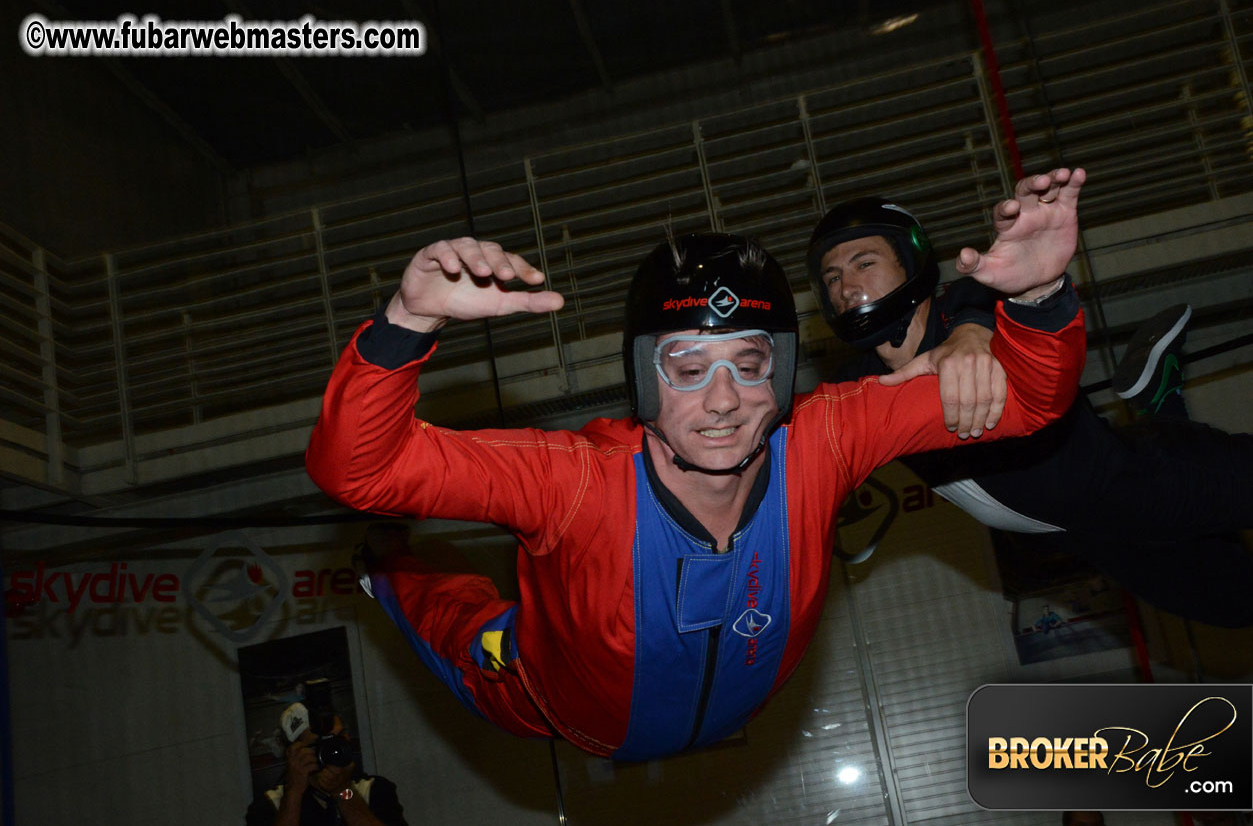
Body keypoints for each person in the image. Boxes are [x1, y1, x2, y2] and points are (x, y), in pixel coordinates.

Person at [305, 169, 1087, 761]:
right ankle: (386, 568)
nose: (721, 400)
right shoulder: (571, 483)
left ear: (781, 372)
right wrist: (407, 321)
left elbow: (1028, 398)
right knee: (454, 622)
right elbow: (358, 472)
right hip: (548, 701)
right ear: (643, 377)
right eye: (685, 368)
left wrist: (1040, 294)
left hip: (735, 708)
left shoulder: (823, 438)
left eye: (749, 364)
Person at [808, 179, 1253, 627]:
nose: (846, 287)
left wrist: (972, 330)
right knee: (1237, 605)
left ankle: (1159, 404)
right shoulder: (857, 386)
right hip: (1086, 533)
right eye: (832, 278)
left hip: (1140, 477)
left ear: (909, 263)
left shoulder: (967, 307)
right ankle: (1157, 399)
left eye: (864, 263)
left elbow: (984, 294)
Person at [245, 694, 408, 825]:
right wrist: (294, 792)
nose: (333, 749)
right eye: (320, 744)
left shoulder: (371, 790)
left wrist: (342, 791)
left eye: (338, 738)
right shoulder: (273, 803)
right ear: (294, 753)